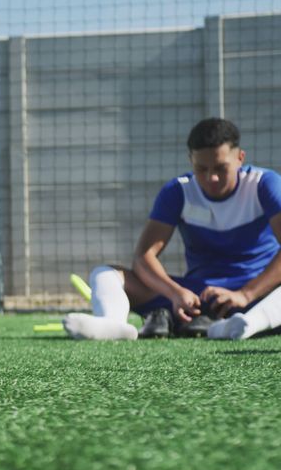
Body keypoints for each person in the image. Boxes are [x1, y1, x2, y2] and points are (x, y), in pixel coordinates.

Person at [64, 118, 281, 341]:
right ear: (190, 160)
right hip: (196, 298)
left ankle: (245, 325)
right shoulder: (178, 191)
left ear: (240, 158)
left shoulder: (264, 184)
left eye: (220, 168)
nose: (211, 178)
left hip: (258, 294)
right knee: (105, 273)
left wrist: (246, 294)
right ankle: (114, 324)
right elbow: (143, 258)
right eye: (201, 169)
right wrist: (175, 293)